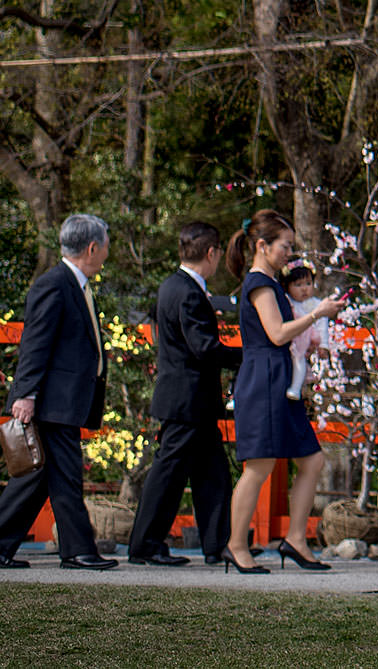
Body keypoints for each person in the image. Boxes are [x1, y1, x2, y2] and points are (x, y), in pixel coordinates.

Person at [0, 214, 115, 571]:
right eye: (106, 247)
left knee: (40, 475)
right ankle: (78, 550)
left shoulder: (73, 284)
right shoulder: (55, 284)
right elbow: (35, 343)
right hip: (51, 399)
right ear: (92, 248)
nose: (107, 254)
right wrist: (26, 394)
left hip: (60, 399)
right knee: (64, 474)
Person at [224, 210, 350, 571]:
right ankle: (236, 545)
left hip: (281, 378)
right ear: (262, 246)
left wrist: (308, 342)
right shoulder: (259, 284)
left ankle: (295, 539)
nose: (289, 254)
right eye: (285, 246)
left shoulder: (272, 283)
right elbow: (277, 333)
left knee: (312, 460)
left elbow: (281, 336)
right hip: (264, 379)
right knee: (259, 466)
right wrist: (317, 314)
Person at [127, 221, 235, 566]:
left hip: (191, 400)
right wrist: (247, 357)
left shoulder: (173, 285)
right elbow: (203, 347)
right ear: (211, 252)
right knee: (169, 474)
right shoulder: (188, 291)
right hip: (187, 400)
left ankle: (216, 544)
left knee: (213, 474)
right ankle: (145, 544)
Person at [281, 262, 323, 401]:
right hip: (287, 337)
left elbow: (321, 326)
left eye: (308, 283)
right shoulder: (286, 301)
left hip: (303, 339)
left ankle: (296, 388)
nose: (304, 289)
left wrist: (321, 344)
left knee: (299, 361)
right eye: (298, 285)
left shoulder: (315, 304)